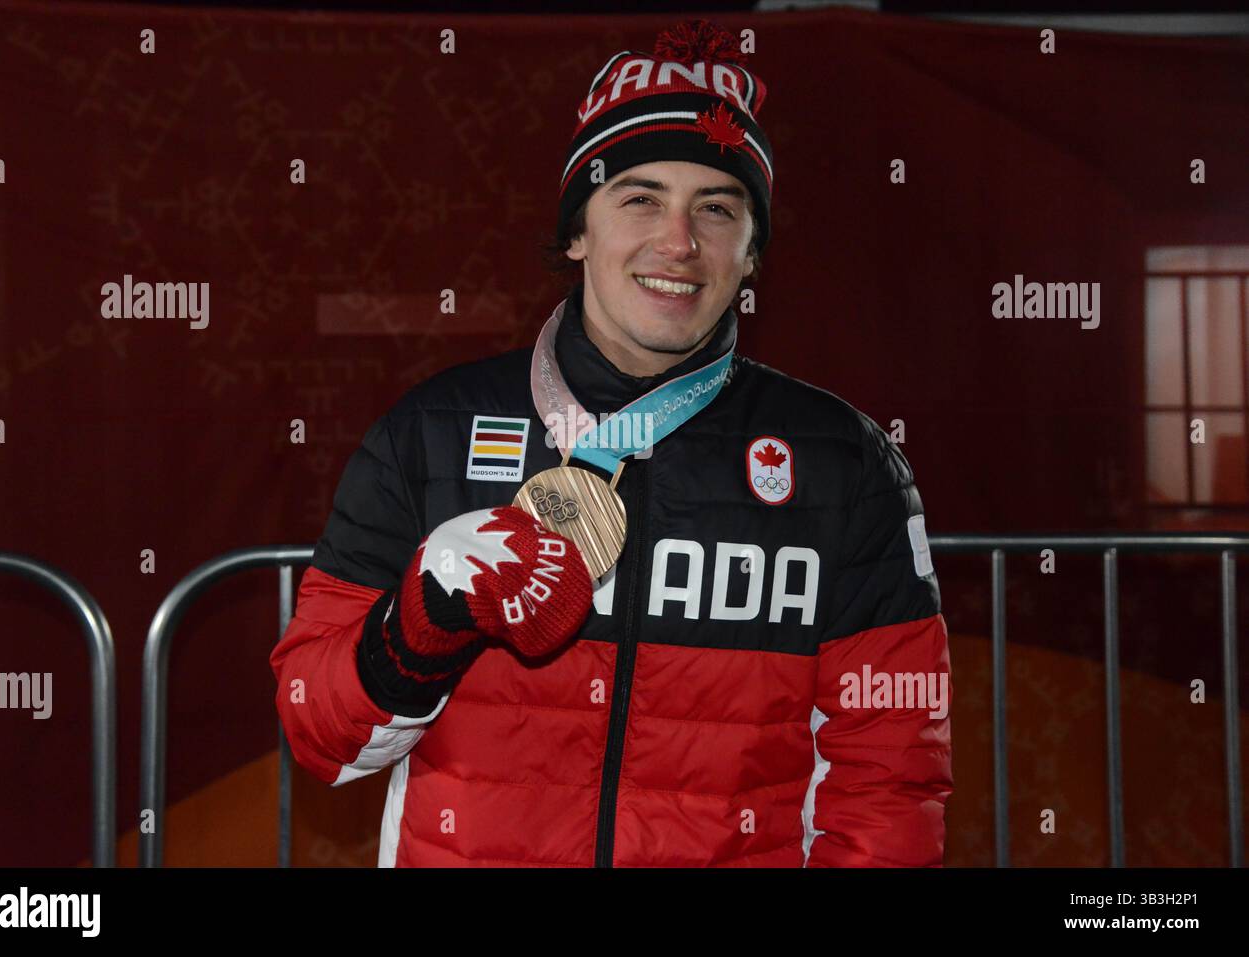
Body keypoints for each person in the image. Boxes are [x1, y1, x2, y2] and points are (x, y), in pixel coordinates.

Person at [270, 19, 953, 868]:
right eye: (640, 198)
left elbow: (889, 783)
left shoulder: (845, 464)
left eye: (717, 207)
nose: (678, 242)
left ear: (752, 257)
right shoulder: (428, 433)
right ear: (576, 233)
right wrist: (417, 623)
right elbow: (319, 736)